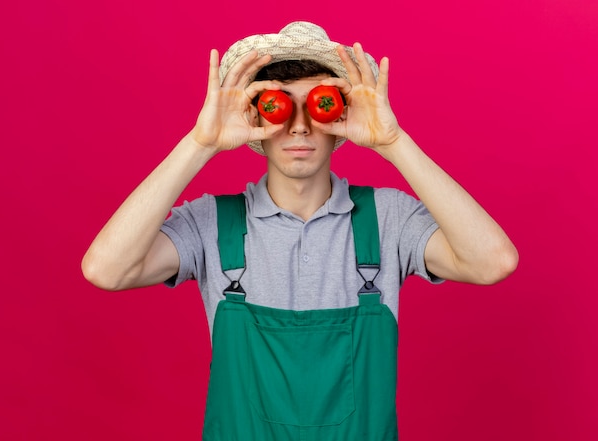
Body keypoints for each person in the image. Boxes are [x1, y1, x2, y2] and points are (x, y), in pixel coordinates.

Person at [82, 21, 518, 441]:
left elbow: (492, 262)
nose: (299, 125)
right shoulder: (212, 223)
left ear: (341, 113)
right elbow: (106, 270)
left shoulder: (386, 219)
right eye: (279, 104)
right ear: (255, 116)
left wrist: (394, 142)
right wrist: (200, 144)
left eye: (318, 103)